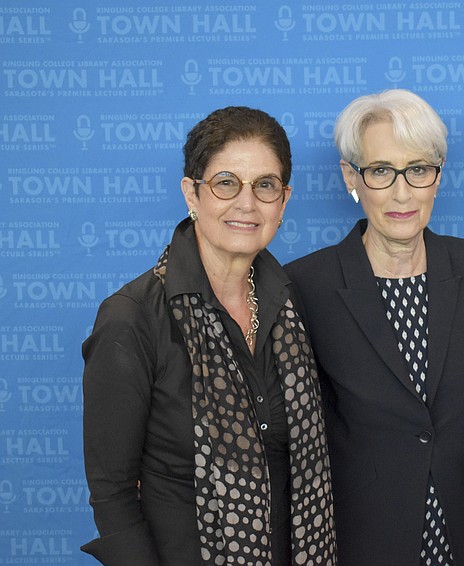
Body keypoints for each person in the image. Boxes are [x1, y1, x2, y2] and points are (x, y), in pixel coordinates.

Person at [81, 106, 335, 566]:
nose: (247, 203)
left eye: (265, 185)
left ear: (284, 199)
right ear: (191, 194)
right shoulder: (132, 318)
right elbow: (112, 494)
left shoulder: (295, 305)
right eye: (225, 183)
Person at [284, 89, 464, 566]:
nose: (402, 192)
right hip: (366, 531)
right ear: (352, 177)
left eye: (418, 170)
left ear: (437, 177)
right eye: (381, 171)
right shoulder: (306, 284)